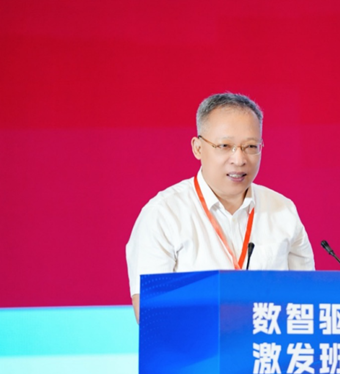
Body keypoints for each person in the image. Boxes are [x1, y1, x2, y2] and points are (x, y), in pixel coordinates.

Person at [126, 93, 314, 323]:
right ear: (198, 148)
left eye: (251, 146)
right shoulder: (163, 214)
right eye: (225, 146)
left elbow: (308, 300)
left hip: (268, 344)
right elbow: (151, 316)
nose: (239, 159)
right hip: (197, 346)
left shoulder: (283, 210)